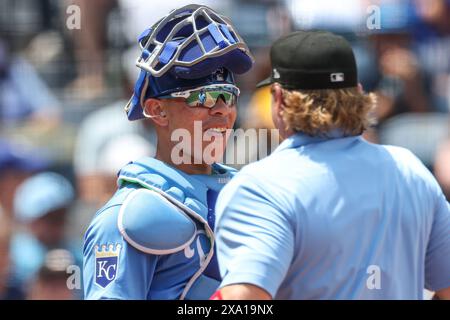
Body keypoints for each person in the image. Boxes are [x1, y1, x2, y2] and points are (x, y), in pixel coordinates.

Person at [212, 30, 450, 300]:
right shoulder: (410, 169)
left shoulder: (259, 186)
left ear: (278, 99)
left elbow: (242, 301)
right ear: (358, 93)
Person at [83, 4, 253, 300]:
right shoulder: (128, 217)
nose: (223, 111)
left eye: (229, 96)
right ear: (157, 110)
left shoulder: (247, 193)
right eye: (205, 98)